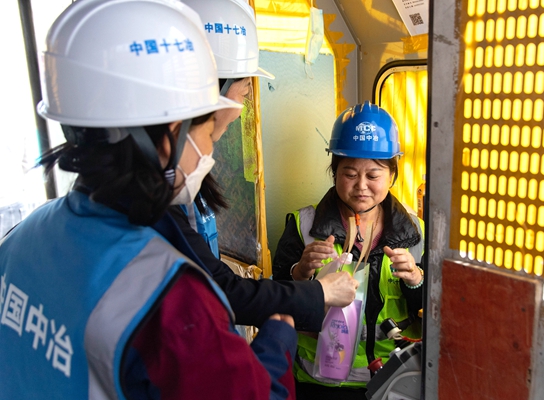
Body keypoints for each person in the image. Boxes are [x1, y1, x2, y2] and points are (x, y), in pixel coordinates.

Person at [0, 0, 297, 398]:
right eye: (208, 131)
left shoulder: (21, 238)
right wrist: (277, 344)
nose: (210, 149)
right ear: (173, 132)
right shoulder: (172, 303)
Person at [167, 0, 358, 331]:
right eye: (244, 92)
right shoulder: (158, 205)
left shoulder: (176, 186)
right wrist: (311, 300)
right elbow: (220, 290)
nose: (242, 108)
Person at [272, 101, 425, 400]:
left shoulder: (416, 231)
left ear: (392, 175)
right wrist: (300, 274)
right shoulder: (303, 225)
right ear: (334, 172)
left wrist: (416, 281)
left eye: (373, 175)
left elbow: (439, 310)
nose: (361, 186)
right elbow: (276, 302)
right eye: (350, 174)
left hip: (397, 378)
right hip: (321, 384)